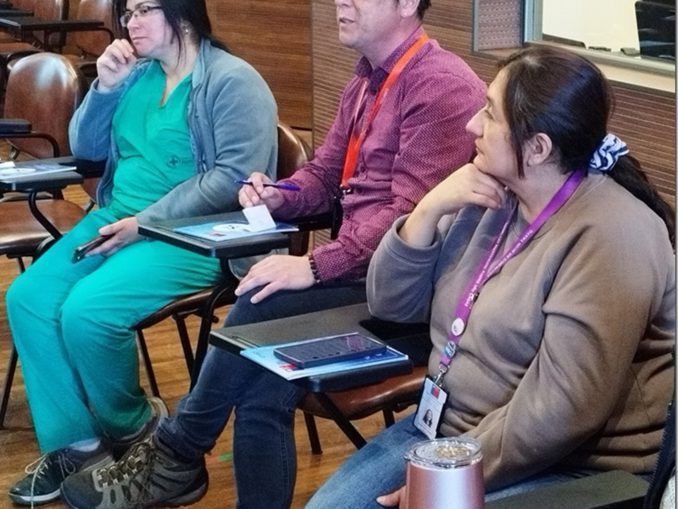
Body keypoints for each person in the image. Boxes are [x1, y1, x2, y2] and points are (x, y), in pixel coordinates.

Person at [59, 0, 487, 508]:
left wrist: (312, 265)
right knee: (261, 380)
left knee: (261, 302)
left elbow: (407, 217)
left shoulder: (439, 86)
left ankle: (178, 451)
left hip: (411, 297)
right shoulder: (367, 77)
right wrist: (277, 196)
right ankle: (178, 458)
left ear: (407, 4)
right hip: (364, 275)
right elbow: (325, 174)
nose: (341, 2)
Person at [303, 45, 676, 508]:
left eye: (489, 114)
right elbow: (391, 306)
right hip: (446, 432)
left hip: (569, 466)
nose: (471, 125)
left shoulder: (613, 234)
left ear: (538, 148)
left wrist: (448, 475)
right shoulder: (490, 197)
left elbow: (560, 412)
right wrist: (429, 209)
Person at [5, 0, 277, 505]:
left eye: (144, 10)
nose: (130, 23)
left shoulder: (233, 81)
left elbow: (233, 176)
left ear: (182, 13)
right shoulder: (136, 74)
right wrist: (104, 90)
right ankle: (79, 446)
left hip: (188, 235)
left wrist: (145, 223)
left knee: (88, 311)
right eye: (127, 12)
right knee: (28, 298)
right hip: (115, 218)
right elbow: (87, 149)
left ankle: (134, 428)